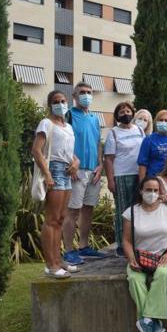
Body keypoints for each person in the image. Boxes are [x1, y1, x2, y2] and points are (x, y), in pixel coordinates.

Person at [122, 176, 167, 332]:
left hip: (164, 255)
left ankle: (145, 321)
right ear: (141, 191)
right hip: (140, 257)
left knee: (162, 275)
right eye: (148, 190)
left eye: (156, 190)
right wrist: (131, 258)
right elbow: (126, 240)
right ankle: (151, 323)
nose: (152, 193)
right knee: (135, 280)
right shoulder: (131, 212)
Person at [32, 90, 80, 278]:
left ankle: (58, 260)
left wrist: (76, 162)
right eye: (56, 101)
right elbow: (36, 150)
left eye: (63, 100)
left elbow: (69, 152)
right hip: (54, 170)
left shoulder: (68, 126)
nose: (61, 104)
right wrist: (48, 174)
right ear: (50, 105)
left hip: (68, 171)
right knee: (52, 219)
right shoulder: (46, 123)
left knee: (60, 219)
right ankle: (51, 264)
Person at [62, 82, 106, 265]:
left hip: (93, 172)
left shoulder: (95, 118)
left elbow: (98, 143)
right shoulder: (69, 115)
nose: (86, 95)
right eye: (82, 92)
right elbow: (61, 139)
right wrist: (71, 161)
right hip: (76, 172)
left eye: (89, 92)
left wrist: (101, 165)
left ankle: (84, 246)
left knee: (88, 210)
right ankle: (68, 251)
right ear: (74, 96)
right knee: (72, 212)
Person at [104, 101, 145, 257]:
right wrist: (110, 180)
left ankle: (137, 242)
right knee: (123, 210)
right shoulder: (113, 133)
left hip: (139, 174)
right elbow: (108, 159)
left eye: (128, 111)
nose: (126, 114)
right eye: (122, 112)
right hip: (121, 175)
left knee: (139, 209)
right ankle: (122, 244)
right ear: (117, 116)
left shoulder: (140, 130)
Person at [137, 110, 167, 181]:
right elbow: (142, 164)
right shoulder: (148, 139)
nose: (163, 122)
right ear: (156, 122)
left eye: (166, 120)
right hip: (154, 179)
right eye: (161, 120)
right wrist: (142, 183)